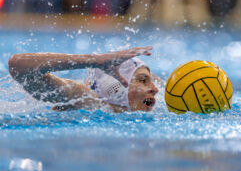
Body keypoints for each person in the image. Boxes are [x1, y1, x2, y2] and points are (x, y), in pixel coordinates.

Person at [8, 46, 159, 112]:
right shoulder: (88, 101)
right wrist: (94, 60)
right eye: (143, 80)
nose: (155, 89)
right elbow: (18, 65)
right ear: (113, 85)